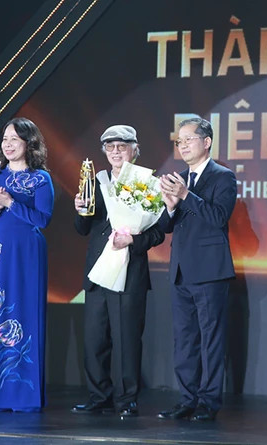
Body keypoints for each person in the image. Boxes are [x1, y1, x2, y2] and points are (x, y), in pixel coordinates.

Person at [71, 125, 165, 418]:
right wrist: (80, 209)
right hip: (98, 271)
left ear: (135, 150)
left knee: (126, 339)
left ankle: (127, 400)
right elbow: (82, 229)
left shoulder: (147, 183)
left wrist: (133, 241)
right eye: (110, 147)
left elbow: (159, 232)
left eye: (121, 147)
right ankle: (99, 396)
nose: (115, 152)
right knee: (95, 339)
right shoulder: (96, 182)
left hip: (130, 270)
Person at [156, 117, 237, 421]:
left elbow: (217, 217)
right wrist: (169, 205)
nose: (183, 145)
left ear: (207, 142)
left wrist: (186, 196)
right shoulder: (178, 178)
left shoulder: (223, 177)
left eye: (189, 139)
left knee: (210, 340)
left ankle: (208, 401)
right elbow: (165, 227)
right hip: (180, 269)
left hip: (210, 271)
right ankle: (187, 398)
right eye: (179, 141)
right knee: (185, 339)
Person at [0, 117, 54, 412]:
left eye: (14, 140)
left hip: (27, 252)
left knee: (25, 311)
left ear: (29, 144)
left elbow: (42, 219)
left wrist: (10, 204)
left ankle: (24, 396)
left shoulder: (41, 178)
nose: (7, 144)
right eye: (5, 139)